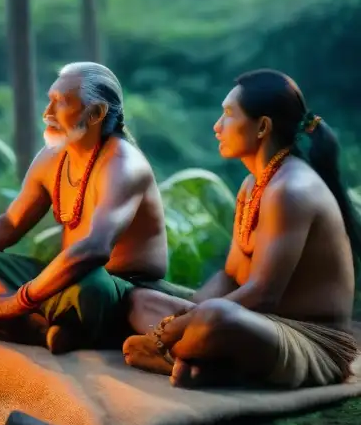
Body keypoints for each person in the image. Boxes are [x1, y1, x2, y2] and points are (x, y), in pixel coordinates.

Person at [123, 70, 359, 389]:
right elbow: (230, 276)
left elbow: (263, 295)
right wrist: (182, 319)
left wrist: (170, 331)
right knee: (141, 301)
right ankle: (200, 360)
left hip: (311, 342)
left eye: (229, 115)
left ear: (262, 126)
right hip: (256, 324)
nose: (217, 126)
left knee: (216, 319)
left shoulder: (292, 189)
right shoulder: (253, 184)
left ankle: (192, 357)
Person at [0, 62, 170, 354]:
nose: (47, 113)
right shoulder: (52, 158)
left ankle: (24, 319)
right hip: (63, 282)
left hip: (113, 288)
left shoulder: (123, 164)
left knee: (88, 284)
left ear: (96, 113)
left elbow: (93, 250)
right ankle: (44, 326)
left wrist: (13, 302)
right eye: (49, 100)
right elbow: (9, 226)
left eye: (60, 103)